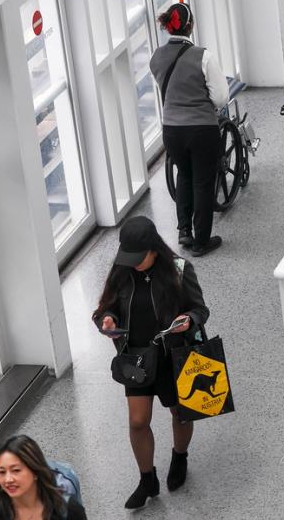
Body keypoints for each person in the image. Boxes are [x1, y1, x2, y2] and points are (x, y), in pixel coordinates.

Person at [92, 215, 210, 509]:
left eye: (139, 257)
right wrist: (108, 320)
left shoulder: (180, 271)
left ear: (154, 249)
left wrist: (188, 320)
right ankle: (147, 479)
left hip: (171, 356)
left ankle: (179, 457)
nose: (133, 263)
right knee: (137, 420)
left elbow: (200, 310)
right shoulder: (121, 272)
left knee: (180, 413)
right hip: (136, 358)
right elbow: (104, 309)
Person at [149, 1, 227, 257]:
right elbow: (220, 99)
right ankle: (202, 241)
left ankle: (184, 231)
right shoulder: (204, 56)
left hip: (171, 129)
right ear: (190, 26)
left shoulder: (156, 57)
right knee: (204, 183)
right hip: (201, 128)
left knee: (184, 175)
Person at [0, 435, 87, 520]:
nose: (8, 479)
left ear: (35, 471)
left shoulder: (67, 510)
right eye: (2, 472)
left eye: (16, 470)